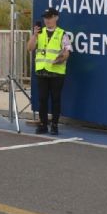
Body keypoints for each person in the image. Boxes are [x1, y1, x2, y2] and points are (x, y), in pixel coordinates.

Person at [28, 7, 71, 135]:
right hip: (42, 71)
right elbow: (29, 48)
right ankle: (43, 124)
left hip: (57, 72)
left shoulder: (62, 34)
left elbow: (67, 51)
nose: (47, 20)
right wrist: (34, 35)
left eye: (50, 17)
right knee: (42, 99)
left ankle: (55, 125)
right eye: (45, 18)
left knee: (55, 99)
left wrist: (60, 59)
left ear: (56, 17)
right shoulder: (40, 33)